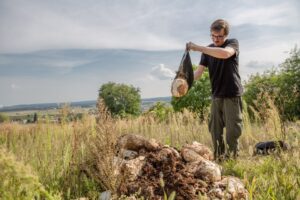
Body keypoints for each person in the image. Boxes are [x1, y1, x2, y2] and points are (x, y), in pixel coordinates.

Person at [187, 19, 243, 160]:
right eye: (213, 36)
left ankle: (232, 159)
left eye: (219, 36)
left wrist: (198, 47)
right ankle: (219, 158)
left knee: (232, 130)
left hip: (232, 94)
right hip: (216, 95)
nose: (216, 39)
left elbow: (225, 54)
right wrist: (184, 80)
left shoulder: (232, 44)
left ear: (225, 35)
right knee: (215, 129)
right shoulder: (207, 51)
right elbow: (198, 74)